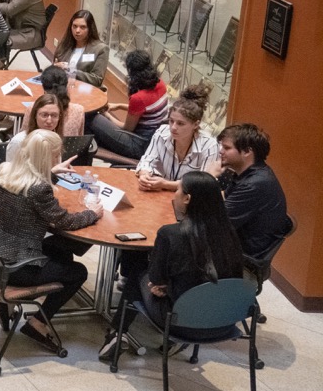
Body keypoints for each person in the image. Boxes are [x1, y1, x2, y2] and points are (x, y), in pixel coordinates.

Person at [100, 171, 244, 362]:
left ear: (187, 198)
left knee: (137, 271)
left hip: (180, 322)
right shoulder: (230, 233)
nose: (174, 194)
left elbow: (156, 280)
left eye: (177, 190)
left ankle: (116, 333)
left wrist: (164, 286)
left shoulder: (170, 234)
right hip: (223, 322)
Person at [0, 130, 100, 350]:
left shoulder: (6, 171)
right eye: (55, 154)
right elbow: (64, 221)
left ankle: (7, 304)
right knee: (78, 272)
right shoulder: (39, 189)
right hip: (17, 265)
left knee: (61, 247)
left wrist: (52, 172)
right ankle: (38, 323)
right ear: (45, 157)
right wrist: (92, 213)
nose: (58, 157)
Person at [214, 123, 290, 260]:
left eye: (226, 148)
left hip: (241, 260)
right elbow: (223, 197)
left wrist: (208, 177)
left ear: (247, 152)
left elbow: (215, 224)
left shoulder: (254, 184)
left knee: (174, 242)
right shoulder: (246, 172)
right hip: (233, 245)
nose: (221, 151)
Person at [136, 85, 218, 192]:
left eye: (180, 123)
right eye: (171, 121)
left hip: (188, 201)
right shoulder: (162, 132)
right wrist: (144, 174)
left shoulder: (209, 146)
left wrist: (166, 184)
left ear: (196, 124)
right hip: (161, 194)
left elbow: (203, 184)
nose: (173, 127)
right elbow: (147, 160)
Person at [90, 49, 169, 161]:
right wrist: (118, 106)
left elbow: (126, 128)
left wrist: (106, 114)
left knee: (93, 118)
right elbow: (146, 112)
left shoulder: (138, 98)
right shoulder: (160, 84)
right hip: (153, 142)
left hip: (139, 146)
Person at [5, 93, 82, 163]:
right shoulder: (19, 141)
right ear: (35, 115)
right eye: (44, 115)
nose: (49, 120)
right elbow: (11, 175)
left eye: (54, 115)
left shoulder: (56, 140)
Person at [51, 10, 108, 87]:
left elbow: (96, 80)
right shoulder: (65, 44)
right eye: (74, 26)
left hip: (85, 91)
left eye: (82, 27)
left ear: (90, 29)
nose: (77, 31)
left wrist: (70, 70)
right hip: (62, 87)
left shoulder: (101, 49)